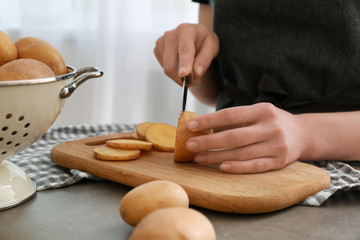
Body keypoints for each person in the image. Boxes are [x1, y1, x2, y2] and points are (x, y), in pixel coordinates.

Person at [154, 0, 360, 174]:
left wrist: (304, 134)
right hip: (229, 163)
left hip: (343, 171)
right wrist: (193, 60)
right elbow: (213, 93)